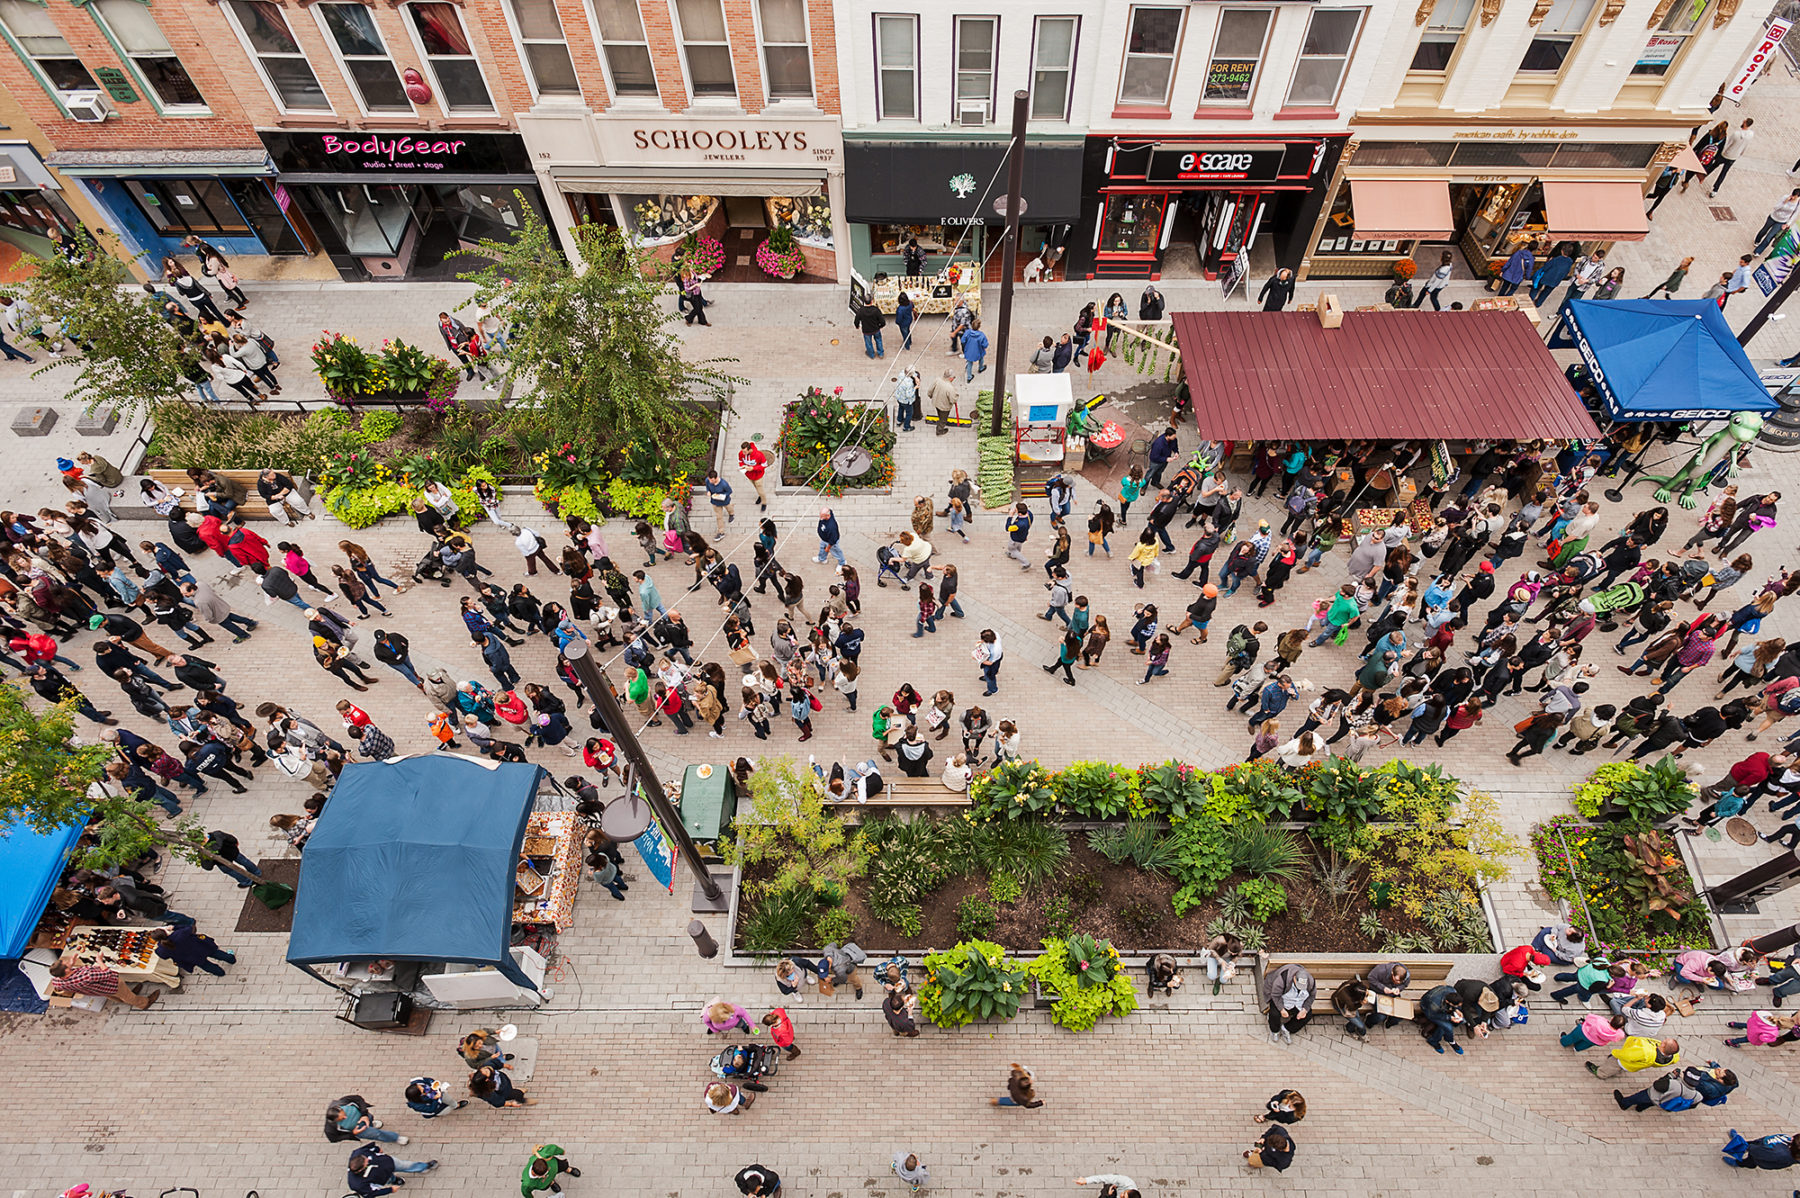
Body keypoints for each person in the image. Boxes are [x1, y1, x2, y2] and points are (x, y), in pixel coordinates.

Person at [1263, 960, 1315, 1043]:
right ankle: (1275, 1030)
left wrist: (1305, 1009)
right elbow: (1275, 995)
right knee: (1274, 1013)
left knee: (1308, 1015)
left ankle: (1287, 1028)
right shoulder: (1282, 979)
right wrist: (1282, 1010)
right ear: (1294, 978)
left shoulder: (1310, 981)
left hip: (1297, 1001)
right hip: (1281, 998)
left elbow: (1312, 996)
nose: (1300, 987)